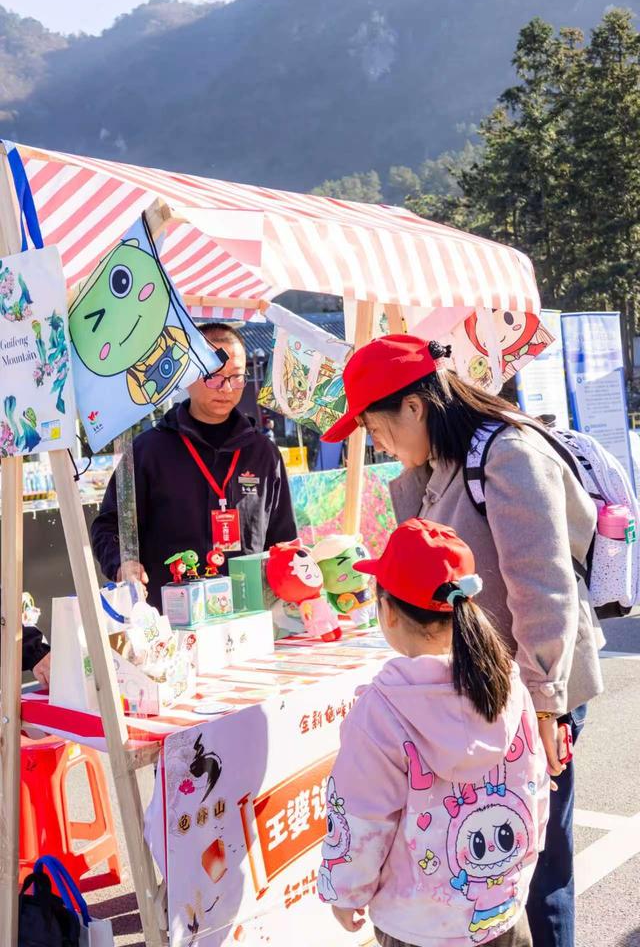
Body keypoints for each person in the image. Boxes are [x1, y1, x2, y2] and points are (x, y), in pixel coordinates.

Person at [322, 334, 603, 947]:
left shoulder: (508, 453)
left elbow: (544, 587)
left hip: (536, 689)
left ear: (414, 406)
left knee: (537, 862)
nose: (377, 443)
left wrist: (547, 706)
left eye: (375, 426)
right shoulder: (439, 465)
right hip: (484, 690)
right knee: (480, 859)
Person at [319, 518, 549, 947]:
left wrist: (346, 892)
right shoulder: (507, 685)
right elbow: (533, 786)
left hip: (417, 925)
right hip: (500, 911)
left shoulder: (382, 710)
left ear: (387, 611)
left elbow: (361, 817)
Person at [91, 323, 297, 611]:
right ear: (187, 373)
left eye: (236, 377)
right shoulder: (148, 451)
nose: (226, 388)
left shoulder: (263, 453)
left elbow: (283, 539)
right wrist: (122, 563)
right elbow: (108, 525)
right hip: (171, 620)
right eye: (213, 376)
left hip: (250, 615)